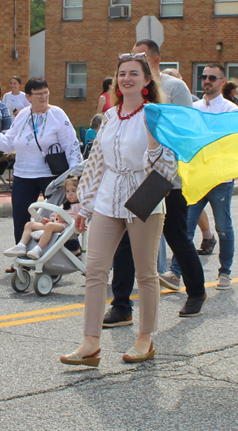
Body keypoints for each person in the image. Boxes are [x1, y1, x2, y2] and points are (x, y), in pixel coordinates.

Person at [59, 52, 178, 367]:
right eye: (122, 73)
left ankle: (145, 338)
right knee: (95, 271)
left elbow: (168, 168)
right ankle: (90, 342)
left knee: (145, 272)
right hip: (108, 197)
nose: (126, 78)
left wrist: (153, 143)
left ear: (146, 81)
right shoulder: (110, 117)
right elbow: (97, 163)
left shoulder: (155, 115)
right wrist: (84, 205)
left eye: (134, 74)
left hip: (145, 195)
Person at [102, 39, 208, 328]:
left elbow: (186, 129)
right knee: (126, 241)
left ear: (154, 62)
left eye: (140, 59)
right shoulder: (124, 95)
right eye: (128, 63)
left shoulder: (174, 88)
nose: (130, 71)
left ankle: (196, 292)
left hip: (163, 179)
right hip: (131, 177)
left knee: (175, 235)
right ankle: (122, 306)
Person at [0, 77, 83, 273]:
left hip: (51, 176)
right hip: (23, 174)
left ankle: (72, 249)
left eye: (46, 92)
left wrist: (75, 174)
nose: (43, 96)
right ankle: (22, 259)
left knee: (56, 217)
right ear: (28, 97)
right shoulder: (22, 116)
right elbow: (10, 141)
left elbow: (71, 145)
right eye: (38, 94)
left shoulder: (57, 114)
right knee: (21, 217)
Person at [168, 63, 238, 291]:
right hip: (196, 177)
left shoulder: (230, 110)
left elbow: (228, 141)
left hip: (220, 178)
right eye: (204, 77)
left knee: (223, 227)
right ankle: (175, 273)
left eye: (212, 78)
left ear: (222, 81)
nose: (207, 81)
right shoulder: (193, 107)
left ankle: (225, 272)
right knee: (185, 227)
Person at [3, 175, 81, 259]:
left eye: (74, 191)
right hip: (54, 224)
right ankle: (21, 246)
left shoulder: (80, 206)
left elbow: (78, 219)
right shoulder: (65, 204)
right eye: (67, 191)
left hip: (66, 226)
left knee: (50, 226)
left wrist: (63, 219)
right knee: (29, 224)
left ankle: (38, 249)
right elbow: (54, 215)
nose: (70, 194)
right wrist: (48, 220)